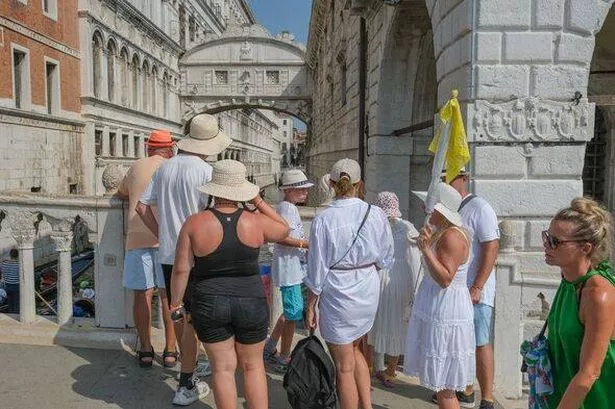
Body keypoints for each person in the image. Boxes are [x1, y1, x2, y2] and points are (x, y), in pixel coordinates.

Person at [170, 160, 289, 409]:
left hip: (209, 302)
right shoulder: (254, 221)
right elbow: (284, 229)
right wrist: (257, 201)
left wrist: (175, 303)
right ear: (241, 191)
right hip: (251, 301)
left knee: (222, 369)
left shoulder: (194, 222)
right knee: (253, 366)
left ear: (213, 189)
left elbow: (182, 269)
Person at [137, 113, 232, 406]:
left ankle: (188, 367)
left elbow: (142, 207)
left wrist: (165, 233)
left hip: (168, 253)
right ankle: (188, 380)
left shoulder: (164, 169)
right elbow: (215, 215)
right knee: (198, 315)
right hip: (200, 255)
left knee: (178, 312)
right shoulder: (206, 172)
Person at [304, 158, 394, 409]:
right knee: (354, 351)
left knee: (343, 367)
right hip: (367, 287)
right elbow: (386, 256)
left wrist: (311, 305)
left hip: (338, 292)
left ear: (331, 184)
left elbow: (317, 266)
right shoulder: (375, 214)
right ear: (360, 184)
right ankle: (366, 405)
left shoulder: (323, 218)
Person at [405, 182, 475, 409]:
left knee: (445, 387)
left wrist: (426, 250)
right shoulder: (445, 233)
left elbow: (445, 279)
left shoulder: (451, 237)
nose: (428, 210)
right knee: (444, 385)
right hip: (443, 306)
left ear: (443, 212)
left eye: (432, 207)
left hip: (446, 308)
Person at [543, 197, 615, 408]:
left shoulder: (598, 295)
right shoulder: (568, 282)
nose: (547, 245)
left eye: (556, 241)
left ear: (585, 248)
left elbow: (590, 373)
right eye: (547, 237)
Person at [117, 129, 177, 368]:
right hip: (166, 239)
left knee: (142, 295)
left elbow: (122, 193)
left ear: (147, 147)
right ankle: (171, 350)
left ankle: (145, 349)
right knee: (168, 298)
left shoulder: (136, 166)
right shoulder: (173, 168)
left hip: (138, 236)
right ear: (170, 148)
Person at [443, 168, 499, 409]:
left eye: (450, 175)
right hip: (454, 291)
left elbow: (491, 247)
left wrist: (477, 286)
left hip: (475, 290)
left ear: (464, 178)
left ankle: (486, 397)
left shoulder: (480, 207)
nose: (445, 180)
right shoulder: (448, 206)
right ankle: (463, 390)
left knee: (480, 342)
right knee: (458, 343)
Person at [368, 191, 421, 388]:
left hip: (381, 275)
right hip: (401, 277)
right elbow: (415, 259)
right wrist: (416, 287)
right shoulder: (408, 228)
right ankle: (390, 370)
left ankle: (374, 365)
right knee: (399, 323)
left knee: (379, 320)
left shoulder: (375, 226)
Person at [264, 169, 313, 369]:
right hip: (290, 269)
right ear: (290, 190)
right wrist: (305, 244)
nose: (306, 193)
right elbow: (280, 237)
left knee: (290, 312)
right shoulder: (287, 209)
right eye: (302, 190)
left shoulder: (286, 207)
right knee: (293, 314)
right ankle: (284, 356)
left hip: (291, 267)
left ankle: (271, 347)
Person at [1, 249, 20, 314]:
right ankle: (16, 317)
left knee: (10, 304)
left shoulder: (4, 264)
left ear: (10, 255)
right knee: (17, 304)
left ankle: (11, 315)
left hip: (7, 286)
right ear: (18, 255)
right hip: (17, 286)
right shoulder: (20, 264)